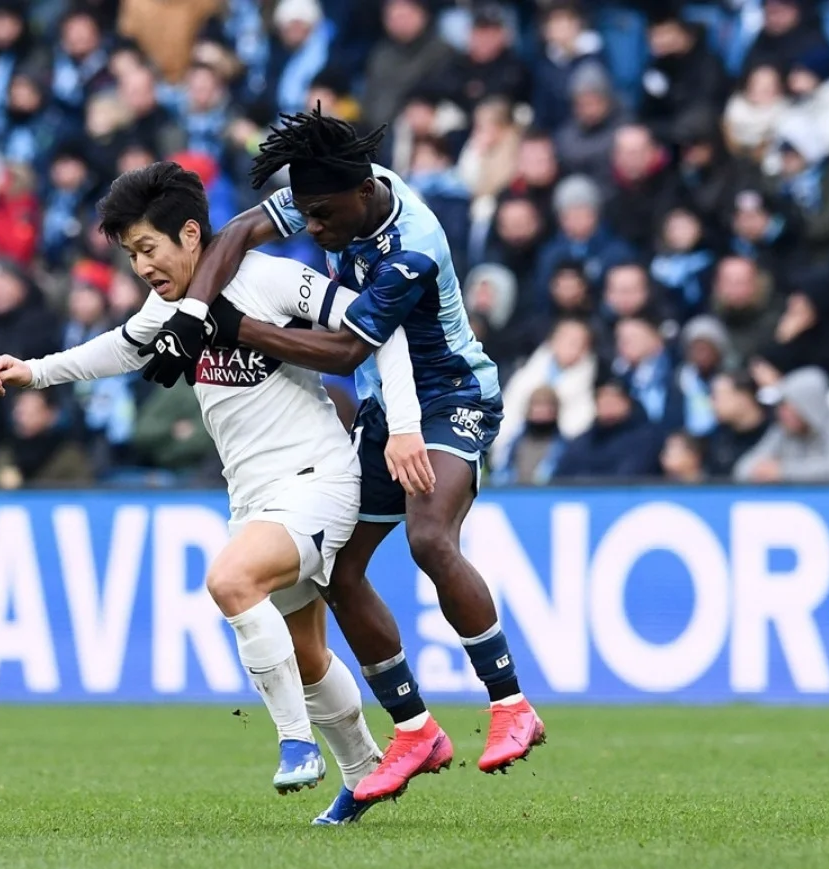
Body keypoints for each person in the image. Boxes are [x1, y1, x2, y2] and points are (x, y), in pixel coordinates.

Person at [0, 161, 423, 825]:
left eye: (147, 249)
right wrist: (35, 373)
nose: (141, 267)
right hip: (253, 498)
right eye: (131, 255)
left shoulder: (271, 278)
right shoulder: (168, 311)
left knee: (230, 580)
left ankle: (295, 742)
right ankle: (364, 772)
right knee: (305, 653)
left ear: (191, 234)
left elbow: (374, 327)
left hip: (318, 479)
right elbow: (119, 348)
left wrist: (406, 427)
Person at [135, 107, 545, 802]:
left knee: (428, 538)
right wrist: (192, 317)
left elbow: (349, 348)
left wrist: (236, 325)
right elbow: (239, 231)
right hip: (389, 409)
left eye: (323, 219)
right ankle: (414, 728)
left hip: (452, 398)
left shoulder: (409, 246)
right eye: (308, 216)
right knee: (340, 572)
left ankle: (510, 705)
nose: (314, 231)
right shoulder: (338, 190)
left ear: (362, 198)